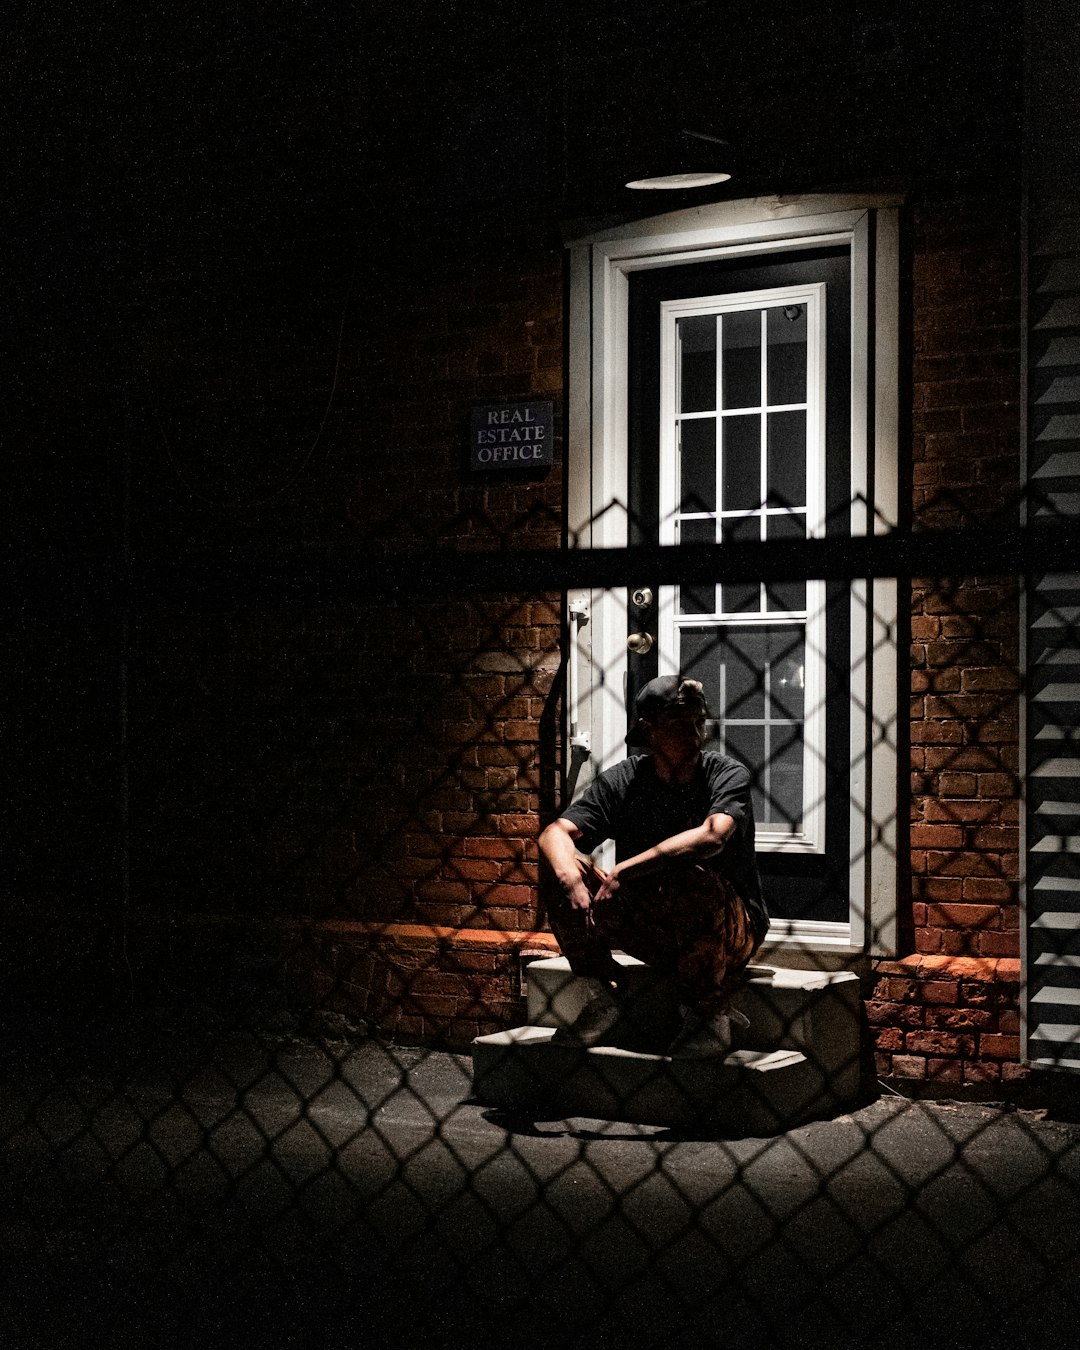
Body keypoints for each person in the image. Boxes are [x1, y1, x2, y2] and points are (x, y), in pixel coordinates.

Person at [538, 674, 769, 1057]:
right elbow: (554, 833)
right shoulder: (625, 779)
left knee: (692, 878)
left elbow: (713, 836)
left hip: (729, 928)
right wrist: (570, 880)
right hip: (653, 922)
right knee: (563, 872)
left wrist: (624, 871)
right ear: (649, 729)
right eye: (680, 722)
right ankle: (603, 996)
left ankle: (710, 1017)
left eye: (700, 720)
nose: (695, 732)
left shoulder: (725, 774)